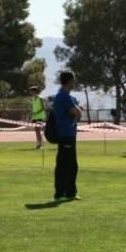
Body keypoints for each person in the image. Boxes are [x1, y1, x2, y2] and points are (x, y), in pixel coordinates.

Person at [52, 71, 83, 201]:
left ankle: (69, 192)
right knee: (66, 165)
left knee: (70, 164)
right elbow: (77, 112)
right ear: (69, 81)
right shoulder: (64, 96)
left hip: (68, 133)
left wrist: (77, 111)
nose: (74, 83)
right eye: (73, 80)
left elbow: (76, 111)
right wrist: (78, 111)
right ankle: (61, 192)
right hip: (66, 134)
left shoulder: (65, 96)